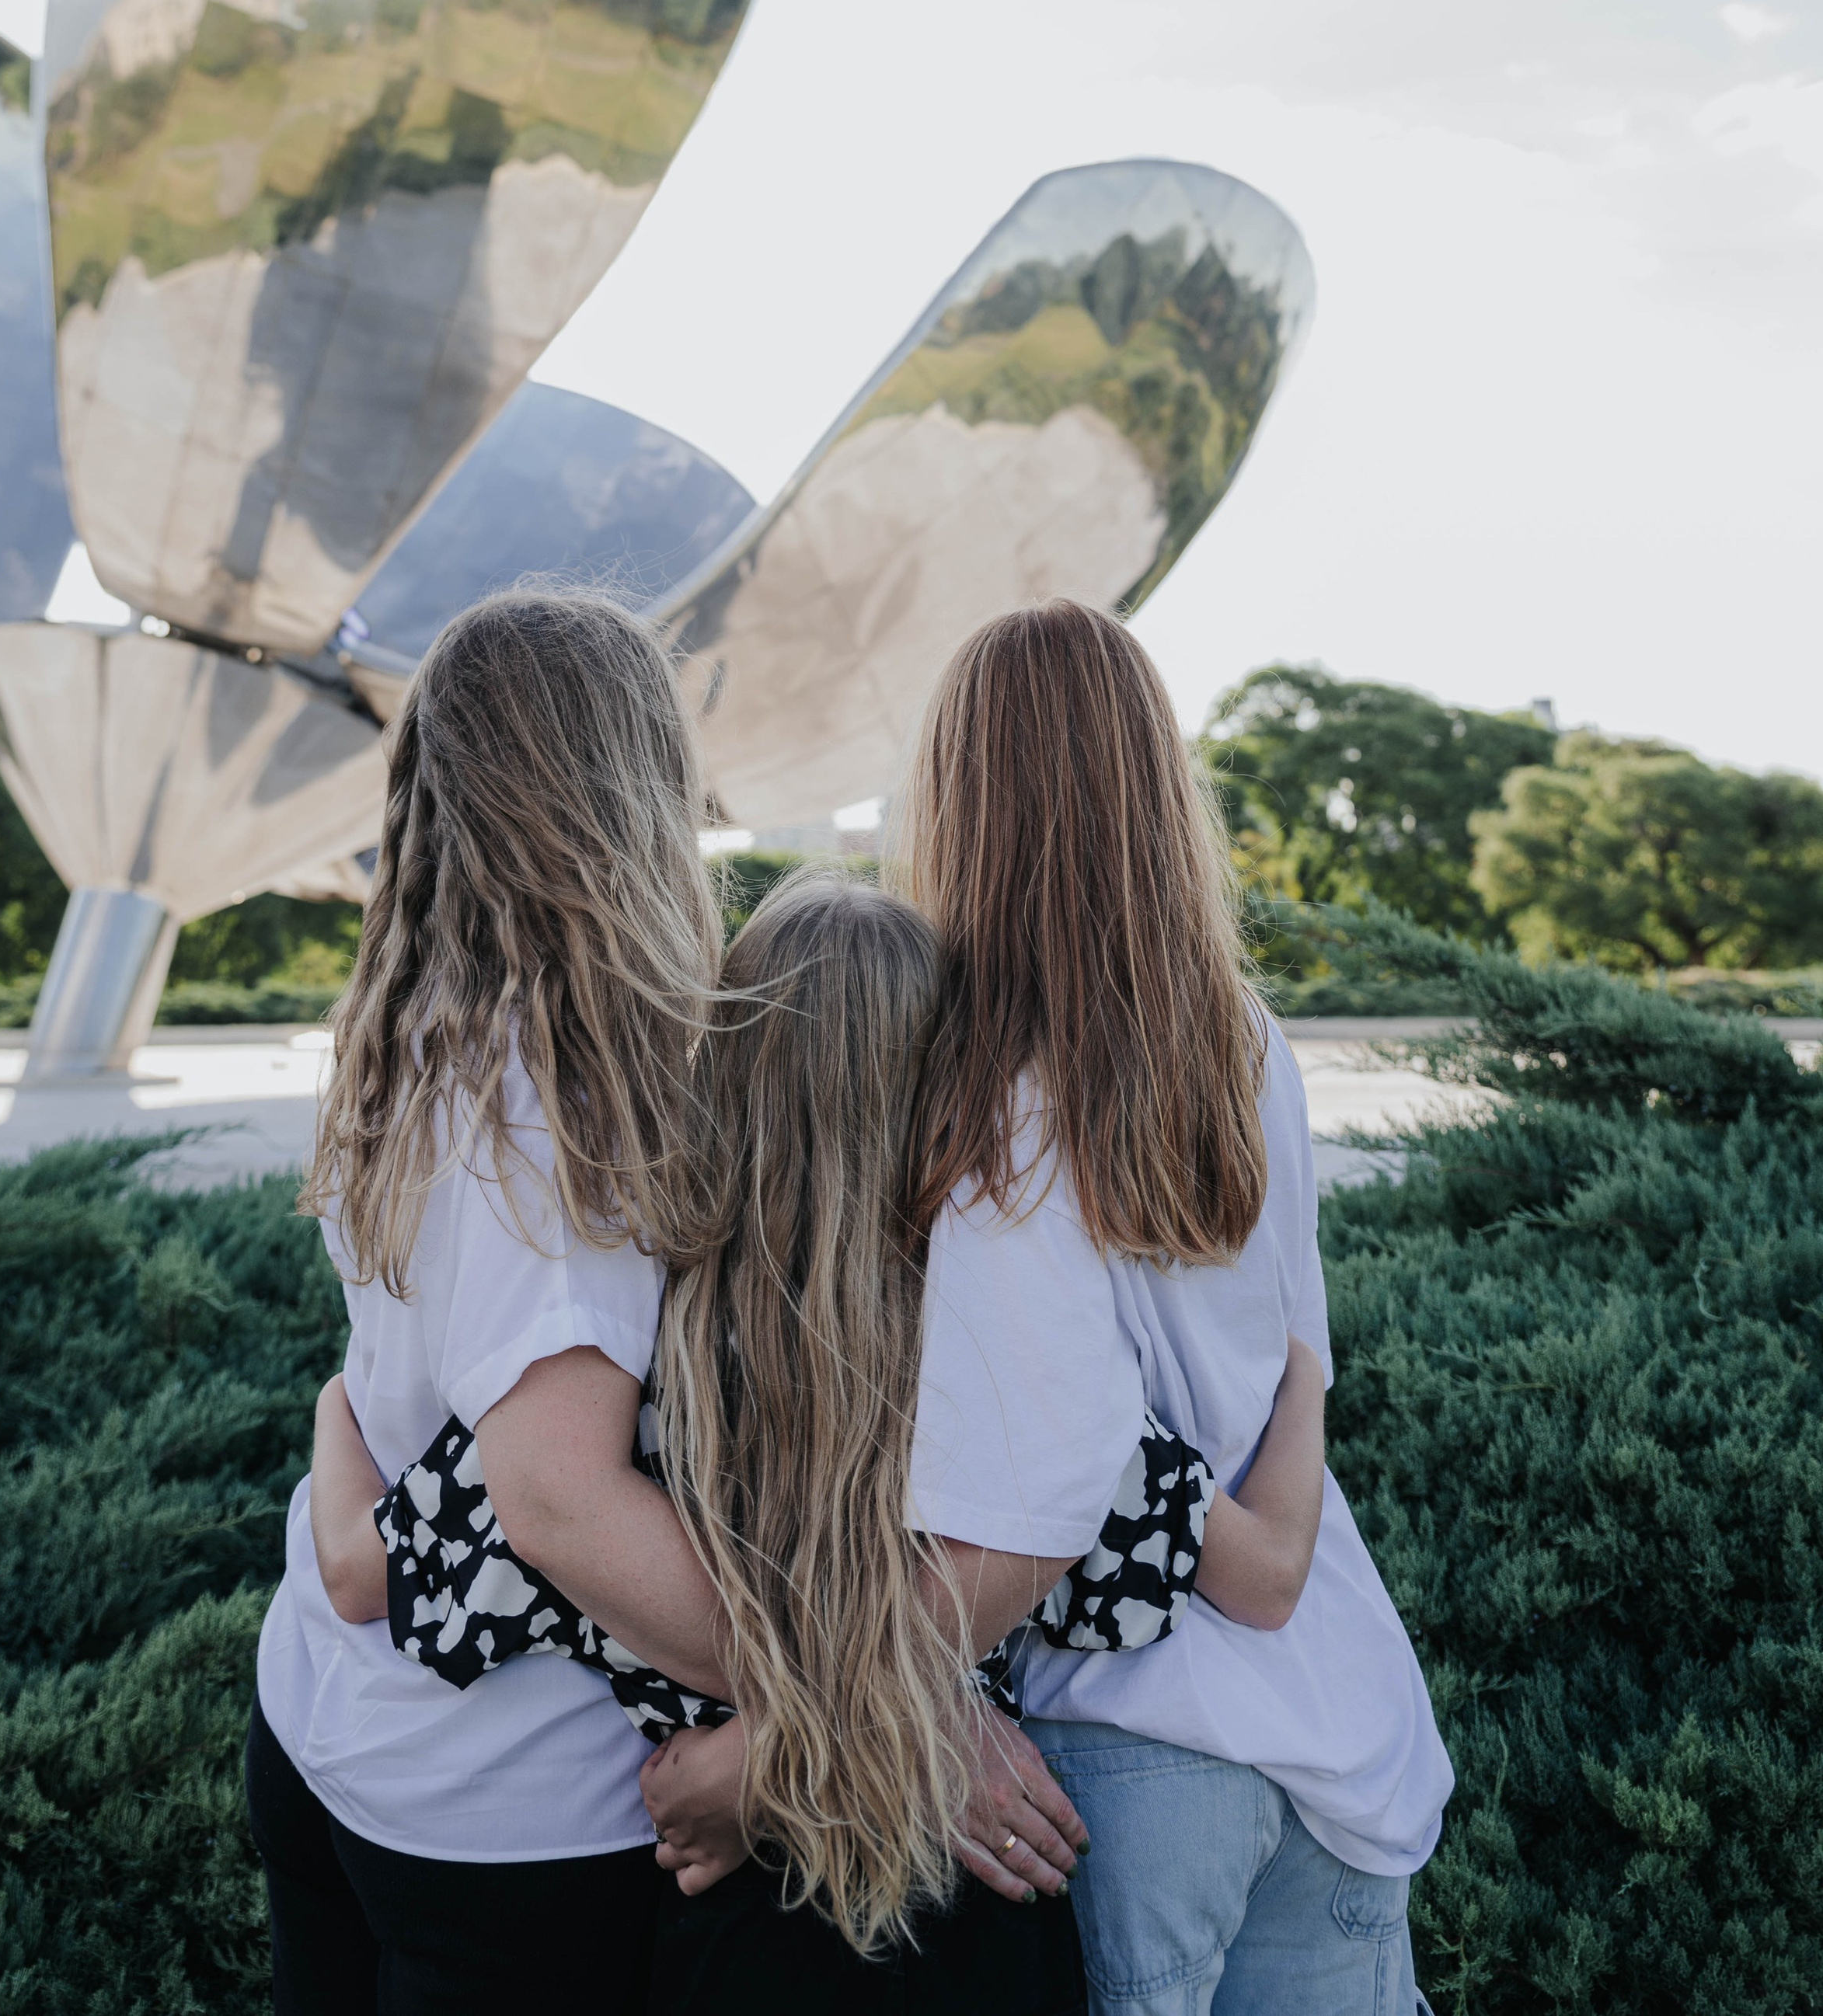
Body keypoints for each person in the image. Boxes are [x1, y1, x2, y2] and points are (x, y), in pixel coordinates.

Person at [317, 865, 1329, 2010]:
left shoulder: (615, 1390)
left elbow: (358, 1572)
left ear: (727, 1073)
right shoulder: (1023, 1371)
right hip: (974, 1915)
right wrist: (1305, 1374)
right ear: (956, 1096)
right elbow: (1265, 1573)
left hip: (740, 1940)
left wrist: (333, 1406)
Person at [888, 598, 1453, 2016]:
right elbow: (1299, 1366)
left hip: (1128, 1743)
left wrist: (873, 1697)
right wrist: (1255, 1546)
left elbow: (1050, 1475)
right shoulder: (1247, 1041)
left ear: (959, 804)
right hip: (1329, 1719)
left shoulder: (992, 1104)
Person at [248, 589, 742, 2016]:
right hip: (506, 1815)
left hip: (335, 1720)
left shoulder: (418, 1031)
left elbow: (378, 1385)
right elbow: (559, 1497)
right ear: (626, 785)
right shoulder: (557, 1085)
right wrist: (854, 1721)